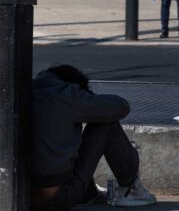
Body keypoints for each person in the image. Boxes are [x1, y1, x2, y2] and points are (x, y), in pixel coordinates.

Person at [31, 65, 156, 211]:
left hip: (24, 194)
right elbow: (120, 107)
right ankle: (131, 189)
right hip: (59, 196)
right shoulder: (67, 94)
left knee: (60, 140)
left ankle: (88, 193)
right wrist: (88, 99)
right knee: (106, 124)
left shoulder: (24, 91)